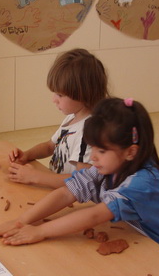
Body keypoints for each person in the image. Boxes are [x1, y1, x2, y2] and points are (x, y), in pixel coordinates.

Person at [0, 97, 159, 261]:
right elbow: (67, 193)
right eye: (93, 148)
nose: (93, 157)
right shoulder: (108, 166)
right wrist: (21, 222)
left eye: (101, 151)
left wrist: (40, 231)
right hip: (133, 246)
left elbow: (95, 216)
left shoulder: (143, 182)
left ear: (130, 152)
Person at [7, 48, 109, 189]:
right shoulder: (72, 117)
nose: (54, 99)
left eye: (60, 95)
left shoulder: (89, 132)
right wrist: (26, 155)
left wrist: (34, 176)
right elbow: (50, 146)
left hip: (70, 197)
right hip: (55, 189)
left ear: (83, 94)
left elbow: (80, 182)